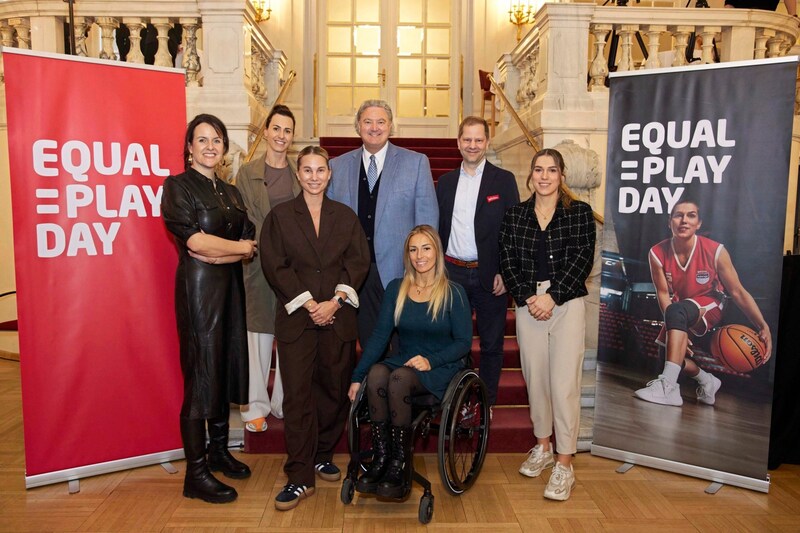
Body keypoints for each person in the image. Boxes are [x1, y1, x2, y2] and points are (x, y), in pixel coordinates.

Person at [261, 146, 370, 511]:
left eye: (320, 170)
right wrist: (310, 303)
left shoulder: (345, 216)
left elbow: (358, 261)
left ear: (329, 174)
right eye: (306, 170)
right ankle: (299, 474)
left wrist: (334, 302)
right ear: (298, 174)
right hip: (298, 320)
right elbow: (276, 266)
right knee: (297, 397)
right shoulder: (280, 217)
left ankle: (323, 452)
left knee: (333, 389)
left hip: (337, 318)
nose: (313, 176)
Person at [162, 114, 257, 504]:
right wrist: (229, 250)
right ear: (189, 146)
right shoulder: (177, 187)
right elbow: (197, 244)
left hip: (230, 290)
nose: (210, 146)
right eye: (202, 140)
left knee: (223, 367)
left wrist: (223, 251)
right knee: (201, 376)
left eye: (217, 139)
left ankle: (219, 451)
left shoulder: (231, 192)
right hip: (199, 294)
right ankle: (196, 473)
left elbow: (250, 237)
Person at [499, 148, 596, 502]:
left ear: (562, 176)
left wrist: (552, 297)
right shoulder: (515, 215)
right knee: (535, 379)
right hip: (528, 305)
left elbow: (582, 259)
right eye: (538, 170)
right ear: (531, 175)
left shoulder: (580, 213)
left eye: (551, 170)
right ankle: (542, 446)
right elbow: (507, 260)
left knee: (563, 384)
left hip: (566, 304)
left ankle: (564, 463)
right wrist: (528, 296)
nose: (544, 176)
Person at [348, 225, 472, 499]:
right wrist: (358, 376)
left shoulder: (454, 292)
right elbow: (381, 336)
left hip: (441, 366)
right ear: (407, 255)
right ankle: (382, 458)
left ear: (437, 253)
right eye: (413, 249)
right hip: (407, 360)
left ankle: (399, 463)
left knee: (398, 378)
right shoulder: (397, 289)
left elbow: (463, 343)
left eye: (426, 248)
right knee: (379, 373)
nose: (420, 256)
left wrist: (431, 360)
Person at [634, 197, 772, 407]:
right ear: (669, 221)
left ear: (699, 223)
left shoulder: (715, 251)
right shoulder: (657, 252)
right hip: (679, 309)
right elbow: (663, 293)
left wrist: (762, 325)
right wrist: (674, 327)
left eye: (691, 215)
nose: (684, 220)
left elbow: (737, 291)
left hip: (711, 304)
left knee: (677, 312)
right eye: (678, 215)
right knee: (671, 360)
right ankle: (707, 380)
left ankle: (668, 388)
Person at [328, 99, 439, 351]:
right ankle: (371, 390)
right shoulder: (338, 166)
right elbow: (331, 224)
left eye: (381, 122)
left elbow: (427, 223)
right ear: (358, 126)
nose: (374, 127)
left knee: (403, 346)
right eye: (368, 121)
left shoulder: (416, 162)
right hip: (356, 272)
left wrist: (424, 268)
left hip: (400, 272)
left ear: (391, 127)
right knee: (368, 345)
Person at [437, 116, 519, 412]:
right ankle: (454, 403)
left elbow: (513, 231)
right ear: (458, 142)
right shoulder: (445, 183)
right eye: (467, 140)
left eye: (478, 140)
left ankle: (486, 406)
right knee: (453, 344)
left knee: (492, 345)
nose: (472, 145)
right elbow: (437, 229)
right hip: (452, 275)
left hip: (490, 276)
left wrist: (507, 272)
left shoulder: (504, 180)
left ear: (487, 142)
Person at [234, 105, 300, 433]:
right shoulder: (247, 172)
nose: (281, 136)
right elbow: (244, 219)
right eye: (276, 129)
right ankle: (257, 406)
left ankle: (284, 403)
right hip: (259, 264)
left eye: (287, 131)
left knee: (290, 336)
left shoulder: (299, 172)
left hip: (293, 268)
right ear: (267, 130)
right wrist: (269, 250)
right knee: (258, 336)